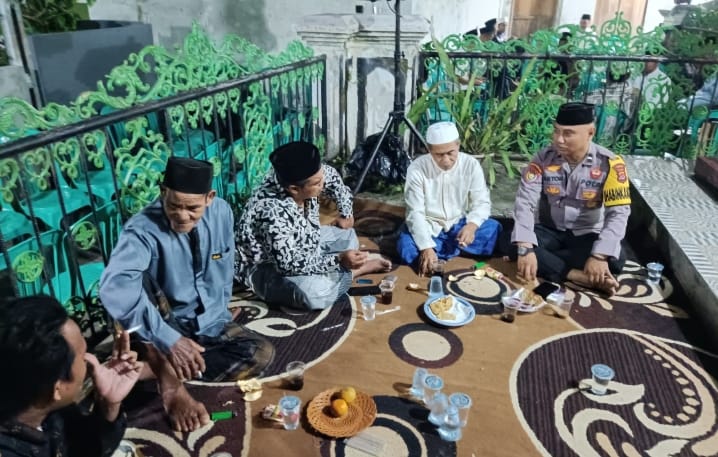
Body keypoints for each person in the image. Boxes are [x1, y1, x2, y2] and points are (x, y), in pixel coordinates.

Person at [100, 156, 273, 433]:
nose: (182, 215)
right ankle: (168, 380)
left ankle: (149, 370)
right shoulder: (141, 229)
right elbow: (114, 288)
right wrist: (170, 340)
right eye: (173, 205)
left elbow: (223, 268)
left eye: (192, 208)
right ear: (163, 192)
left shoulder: (222, 213)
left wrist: (219, 311)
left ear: (209, 198)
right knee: (129, 284)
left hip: (206, 322)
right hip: (161, 326)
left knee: (260, 353)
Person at [236, 141, 392, 310]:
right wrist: (338, 260)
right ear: (294, 189)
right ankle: (354, 272)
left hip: (305, 240)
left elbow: (336, 183)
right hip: (267, 267)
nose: (323, 184)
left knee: (347, 236)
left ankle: (333, 271)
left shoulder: (313, 176)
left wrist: (346, 214)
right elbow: (289, 265)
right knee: (313, 295)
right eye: (317, 183)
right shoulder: (271, 212)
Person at [502, 102, 630, 296]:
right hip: (549, 231)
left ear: (590, 133)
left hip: (587, 233)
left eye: (568, 133)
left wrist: (599, 256)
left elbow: (618, 213)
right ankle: (578, 275)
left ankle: (551, 264)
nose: (559, 139)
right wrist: (526, 248)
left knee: (616, 258)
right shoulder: (543, 159)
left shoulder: (610, 164)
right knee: (511, 241)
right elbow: (524, 202)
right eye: (556, 131)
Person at [0, 295, 142, 457]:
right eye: (82, 356)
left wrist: (109, 404)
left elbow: (87, 449)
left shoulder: (51, 411)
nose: (90, 359)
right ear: (57, 388)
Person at [397, 122, 501, 276]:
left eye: (450, 153)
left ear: (458, 145)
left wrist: (472, 226)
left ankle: (439, 256)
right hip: (430, 227)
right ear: (429, 150)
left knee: (493, 228)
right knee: (405, 244)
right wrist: (426, 247)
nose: (446, 160)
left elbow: (481, 202)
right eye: (439, 155)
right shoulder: (417, 169)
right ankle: (444, 252)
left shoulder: (470, 165)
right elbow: (415, 212)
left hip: (458, 225)